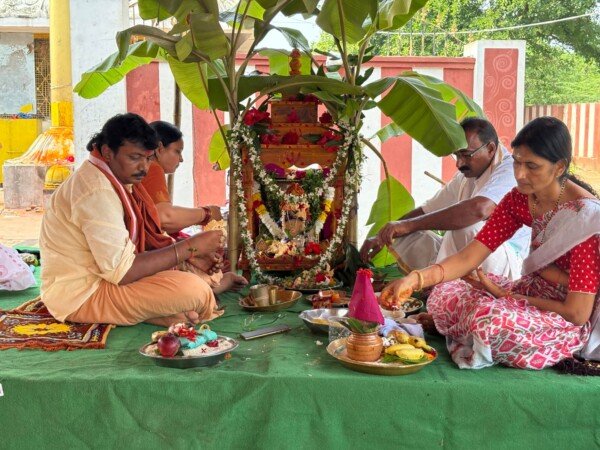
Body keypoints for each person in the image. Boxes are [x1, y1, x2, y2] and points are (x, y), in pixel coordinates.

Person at [380, 117, 600, 370]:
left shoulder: (585, 220)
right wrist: (415, 279)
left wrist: (507, 296)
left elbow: (577, 313)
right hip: (528, 293)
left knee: (490, 321)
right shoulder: (520, 199)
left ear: (559, 167)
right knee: (446, 291)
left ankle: (464, 329)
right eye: (516, 162)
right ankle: (465, 328)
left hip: (562, 318)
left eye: (532, 166)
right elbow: (469, 257)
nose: (520, 174)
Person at [40, 113, 228, 327]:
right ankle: (151, 312)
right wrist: (190, 247)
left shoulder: (112, 178)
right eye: (135, 157)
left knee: (193, 277)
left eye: (147, 158)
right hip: (80, 294)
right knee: (196, 291)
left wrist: (190, 255)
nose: (144, 167)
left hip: (105, 278)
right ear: (107, 152)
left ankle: (155, 312)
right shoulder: (97, 191)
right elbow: (124, 273)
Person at [360, 118, 530, 280]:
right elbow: (426, 210)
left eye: (466, 155)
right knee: (404, 234)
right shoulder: (465, 176)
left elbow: (479, 210)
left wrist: (408, 225)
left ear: (491, 149)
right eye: (457, 155)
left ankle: (441, 282)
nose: (459, 163)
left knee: (466, 226)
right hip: (466, 258)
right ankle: (437, 284)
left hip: (508, 260)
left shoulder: (510, 169)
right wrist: (388, 232)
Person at [142, 121, 245, 289]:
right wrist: (206, 213)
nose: (181, 159)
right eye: (177, 151)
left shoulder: (148, 169)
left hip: (139, 251)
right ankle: (214, 286)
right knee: (205, 268)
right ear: (159, 149)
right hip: (141, 254)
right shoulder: (153, 168)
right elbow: (165, 217)